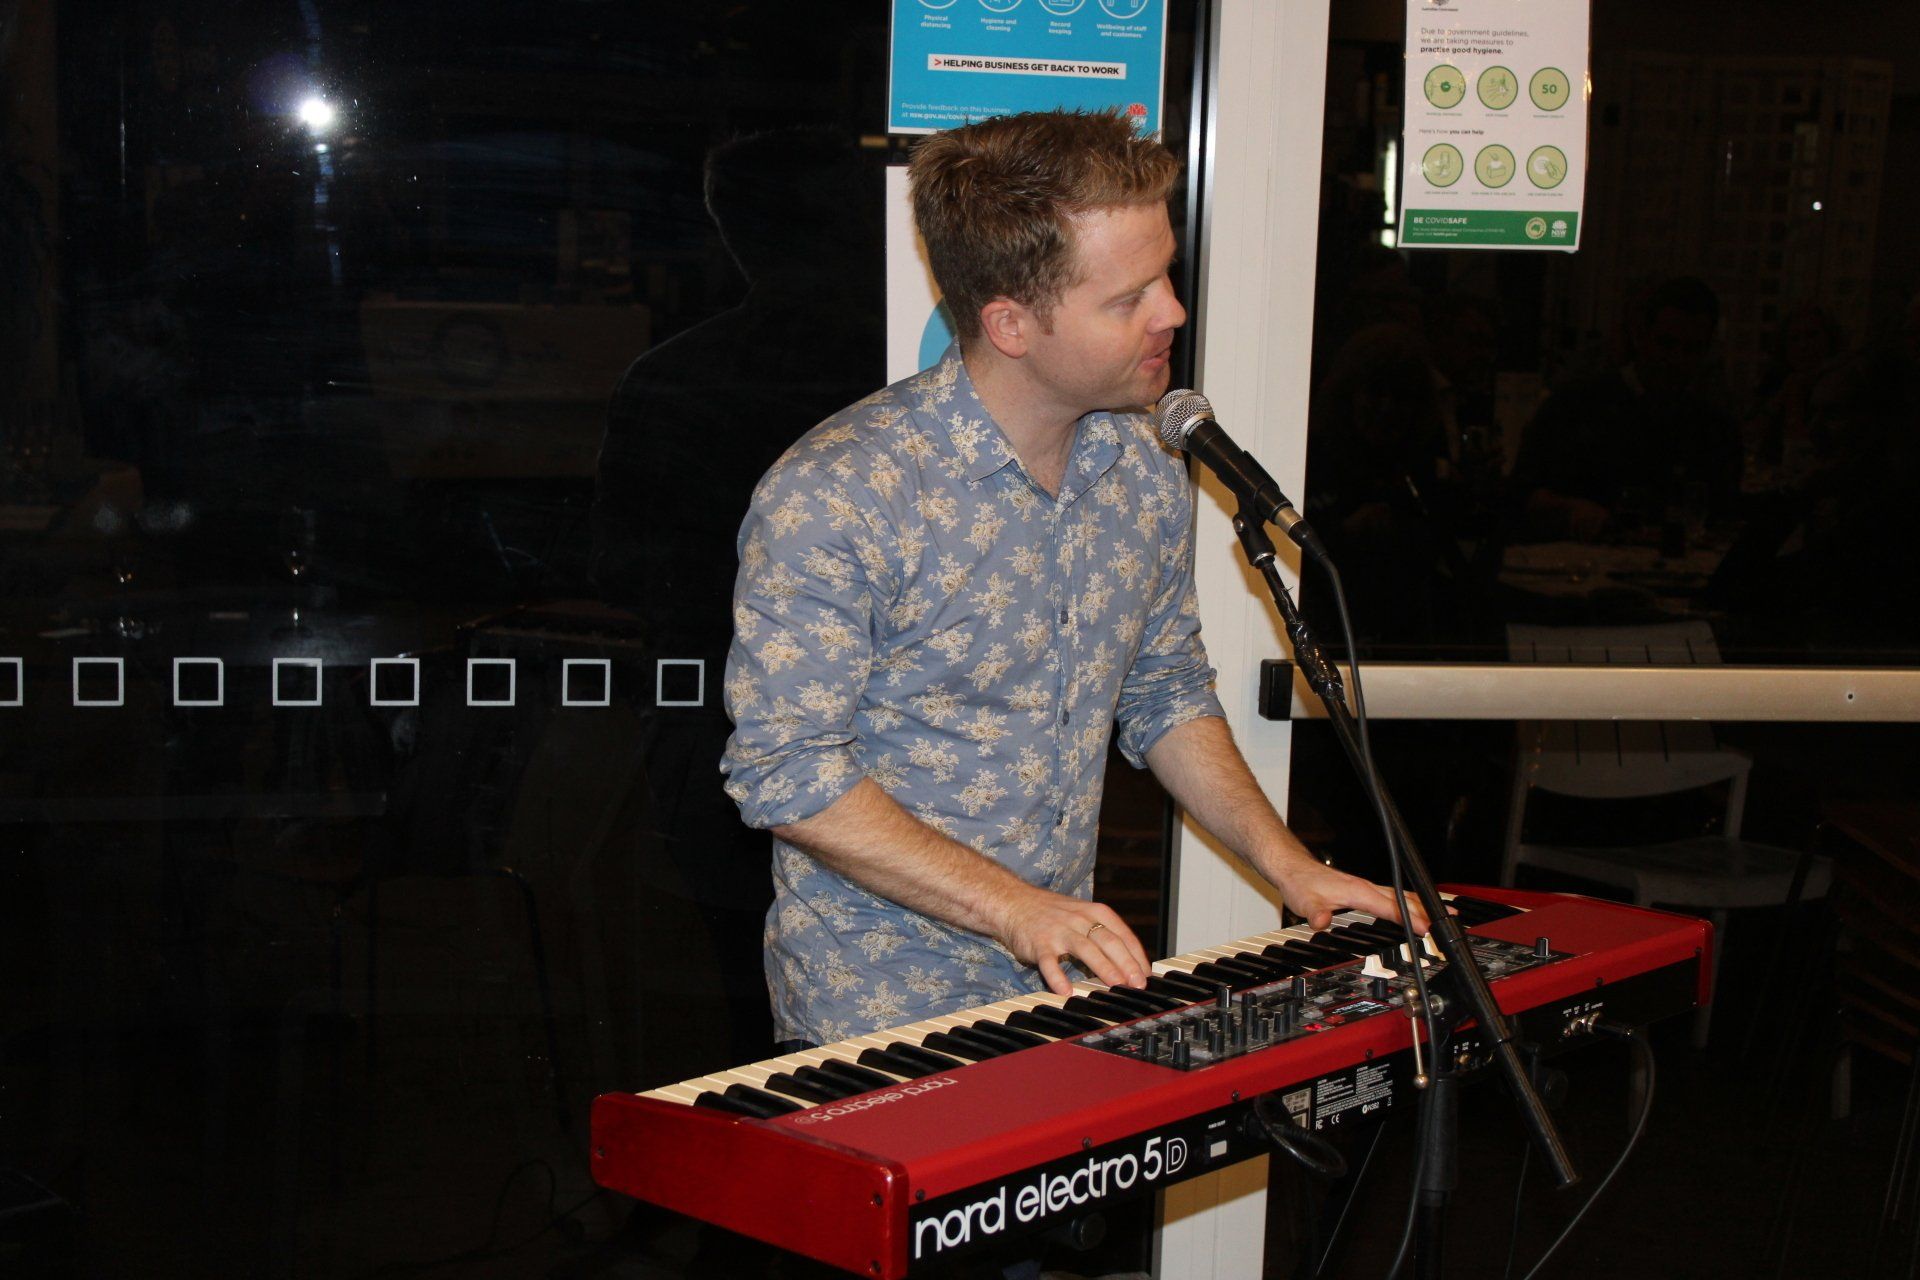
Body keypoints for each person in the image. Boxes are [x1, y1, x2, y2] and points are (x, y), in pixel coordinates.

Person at [720, 108, 1427, 1050]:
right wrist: (1015, 907)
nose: (1171, 311)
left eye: (1166, 274)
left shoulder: (1143, 464)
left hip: (1059, 997)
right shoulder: (842, 492)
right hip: (878, 1019)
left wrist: (1288, 864)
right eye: (1127, 296)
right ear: (1011, 323)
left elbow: (1165, 690)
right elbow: (784, 771)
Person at [1512, 276, 1742, 542]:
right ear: (1640, 337)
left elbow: (1725, 514)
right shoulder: (1574, 405)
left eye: (1691, 349)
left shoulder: (1714, 427)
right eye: (1666, 344)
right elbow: (1521, 492)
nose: (1676, 360)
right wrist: (1572, 510)